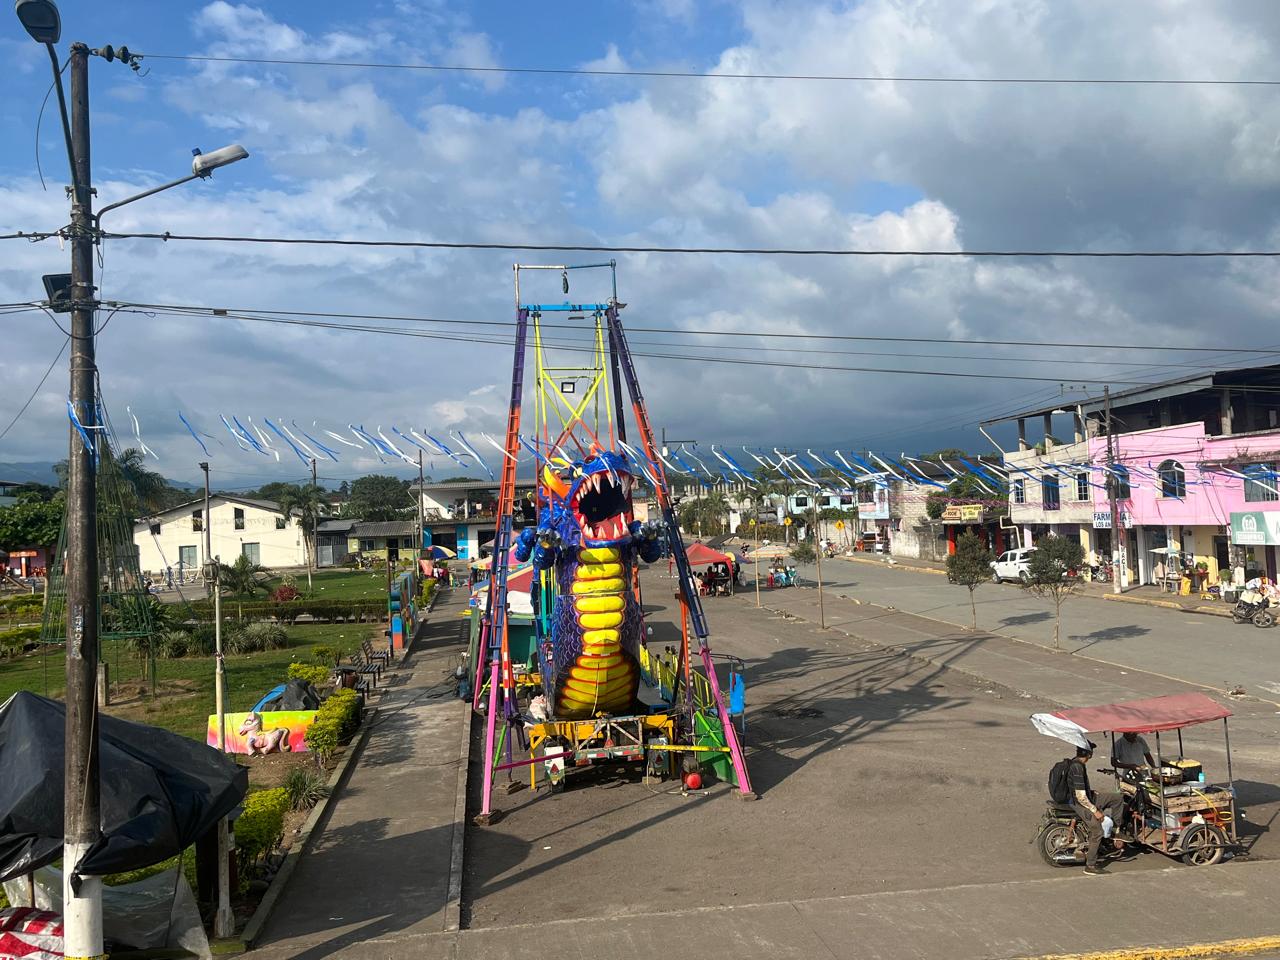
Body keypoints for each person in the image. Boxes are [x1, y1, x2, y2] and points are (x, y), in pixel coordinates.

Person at [1069, 741, 1125, 876]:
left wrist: (1092, 792)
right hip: (1079, 803)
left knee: (1117, 798)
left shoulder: (1077, 763)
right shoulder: (1077, 767)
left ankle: (1116, 831)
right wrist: (1096, 811)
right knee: (1097, 832)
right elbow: (1081, 797)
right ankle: (1090, 865)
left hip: (1087, 797)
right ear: (1089, 754)